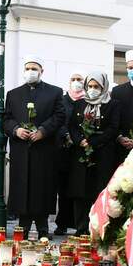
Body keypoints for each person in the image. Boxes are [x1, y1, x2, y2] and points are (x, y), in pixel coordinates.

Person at [4, 56, 65, 239]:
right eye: (28, 68)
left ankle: (42, 227)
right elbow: (6, 119)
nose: (30, 71)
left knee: (42, 187)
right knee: (22, 187)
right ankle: (22, 227)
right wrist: (16, 130)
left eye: (34, 68)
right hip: (21, 149)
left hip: (44, 148)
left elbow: (59, 116)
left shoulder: (55, 92)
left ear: (41, 71)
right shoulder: (13, 94)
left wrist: (43, 131)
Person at [68, 70, 120, 235]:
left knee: (98, 190)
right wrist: (79, 140)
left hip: (102, 153)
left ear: (103, 87)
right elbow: (72, 126)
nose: (92, 90)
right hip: (81, 153)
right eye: (90, 86)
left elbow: (113, 128)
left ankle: (97, 227)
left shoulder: (112, 104)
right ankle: (80, 227)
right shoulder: (80, 104)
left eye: (96, 87)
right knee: (80, 190)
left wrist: (93, 142)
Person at [54, 71, 84, 236]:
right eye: (73, 79)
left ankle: (79, 223)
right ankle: (62, 223)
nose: (76, 82)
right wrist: (66, 135)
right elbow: (58, 121)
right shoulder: (62, 100)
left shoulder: (87, 101)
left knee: (78, 188)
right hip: (63, 150)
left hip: (80, 150)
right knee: (63, 189)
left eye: (79, 79)